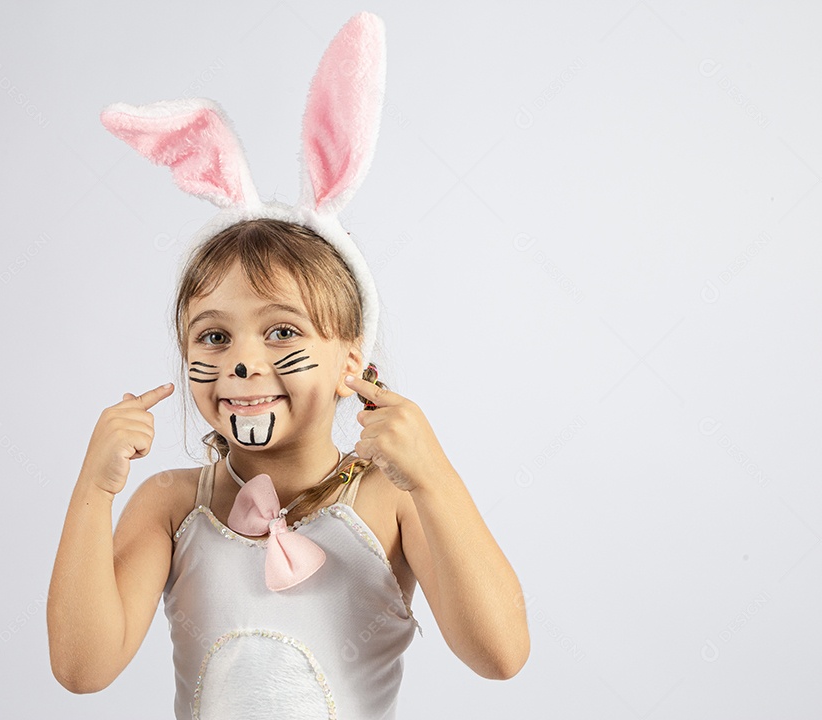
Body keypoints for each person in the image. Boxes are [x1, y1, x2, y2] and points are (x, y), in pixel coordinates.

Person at [47, 12, 529, 719]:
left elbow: (501, 654)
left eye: (280, 332)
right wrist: (94, 489)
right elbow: (83, 668)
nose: (243, 363)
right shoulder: (171, 507)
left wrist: (433, 476)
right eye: (213, 338)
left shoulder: (390, 504)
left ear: (350, 362)